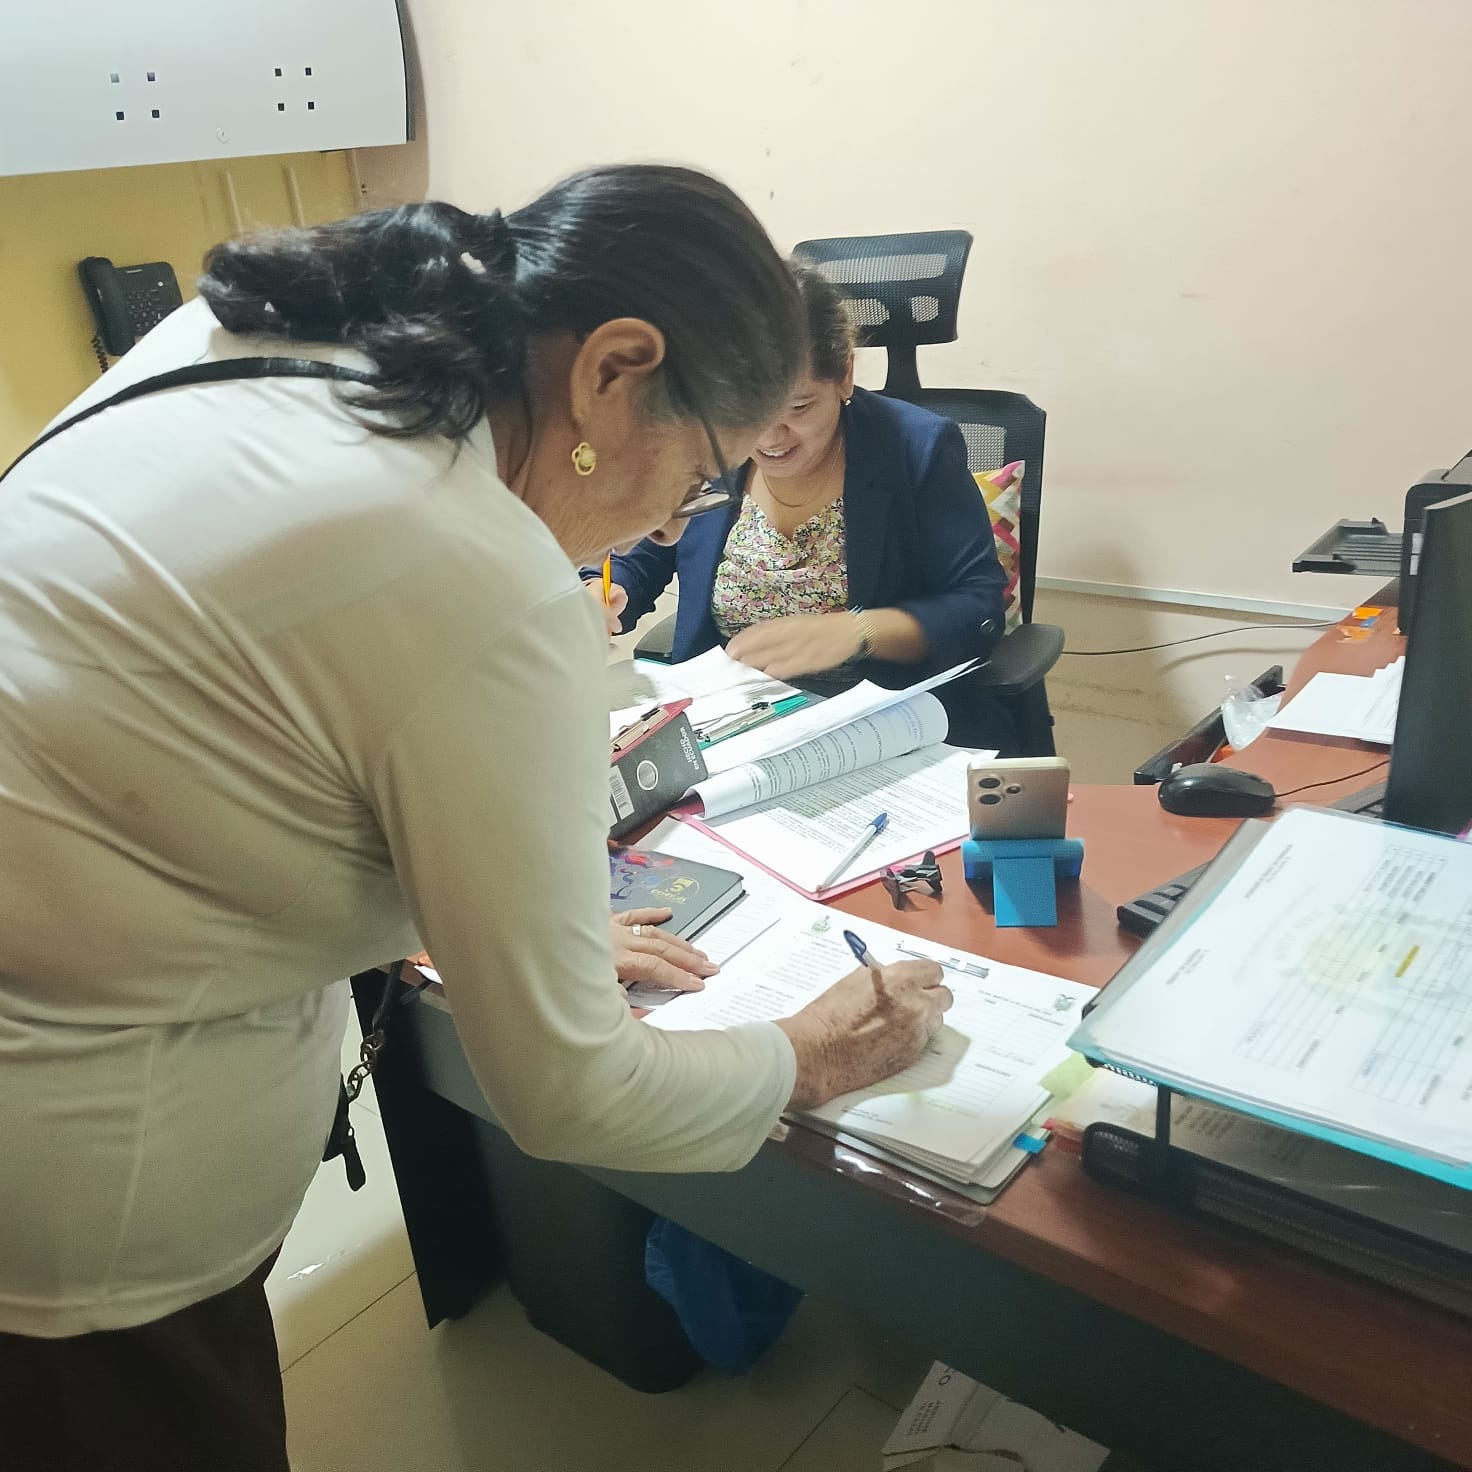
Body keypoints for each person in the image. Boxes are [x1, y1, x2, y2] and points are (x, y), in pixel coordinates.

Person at [0, 166, 952, 1472]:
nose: (674, 517)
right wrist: (817, 1050)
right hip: (77, 1206)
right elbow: (575, 1096)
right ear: (613, 370)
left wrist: (499, 917)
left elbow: (206, 737)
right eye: (694, 476)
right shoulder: (466, 568)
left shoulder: (250, 335)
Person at [596, 263, 1009, 735]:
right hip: (726, 718)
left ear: (844, 375)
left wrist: (861, 631)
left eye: (798, 407)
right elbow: (649, 548)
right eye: (747, 411)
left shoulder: (916, 448)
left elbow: (978, 607)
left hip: (870, 722)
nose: (769, 436)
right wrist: (605, 591)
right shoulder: (710, 439)